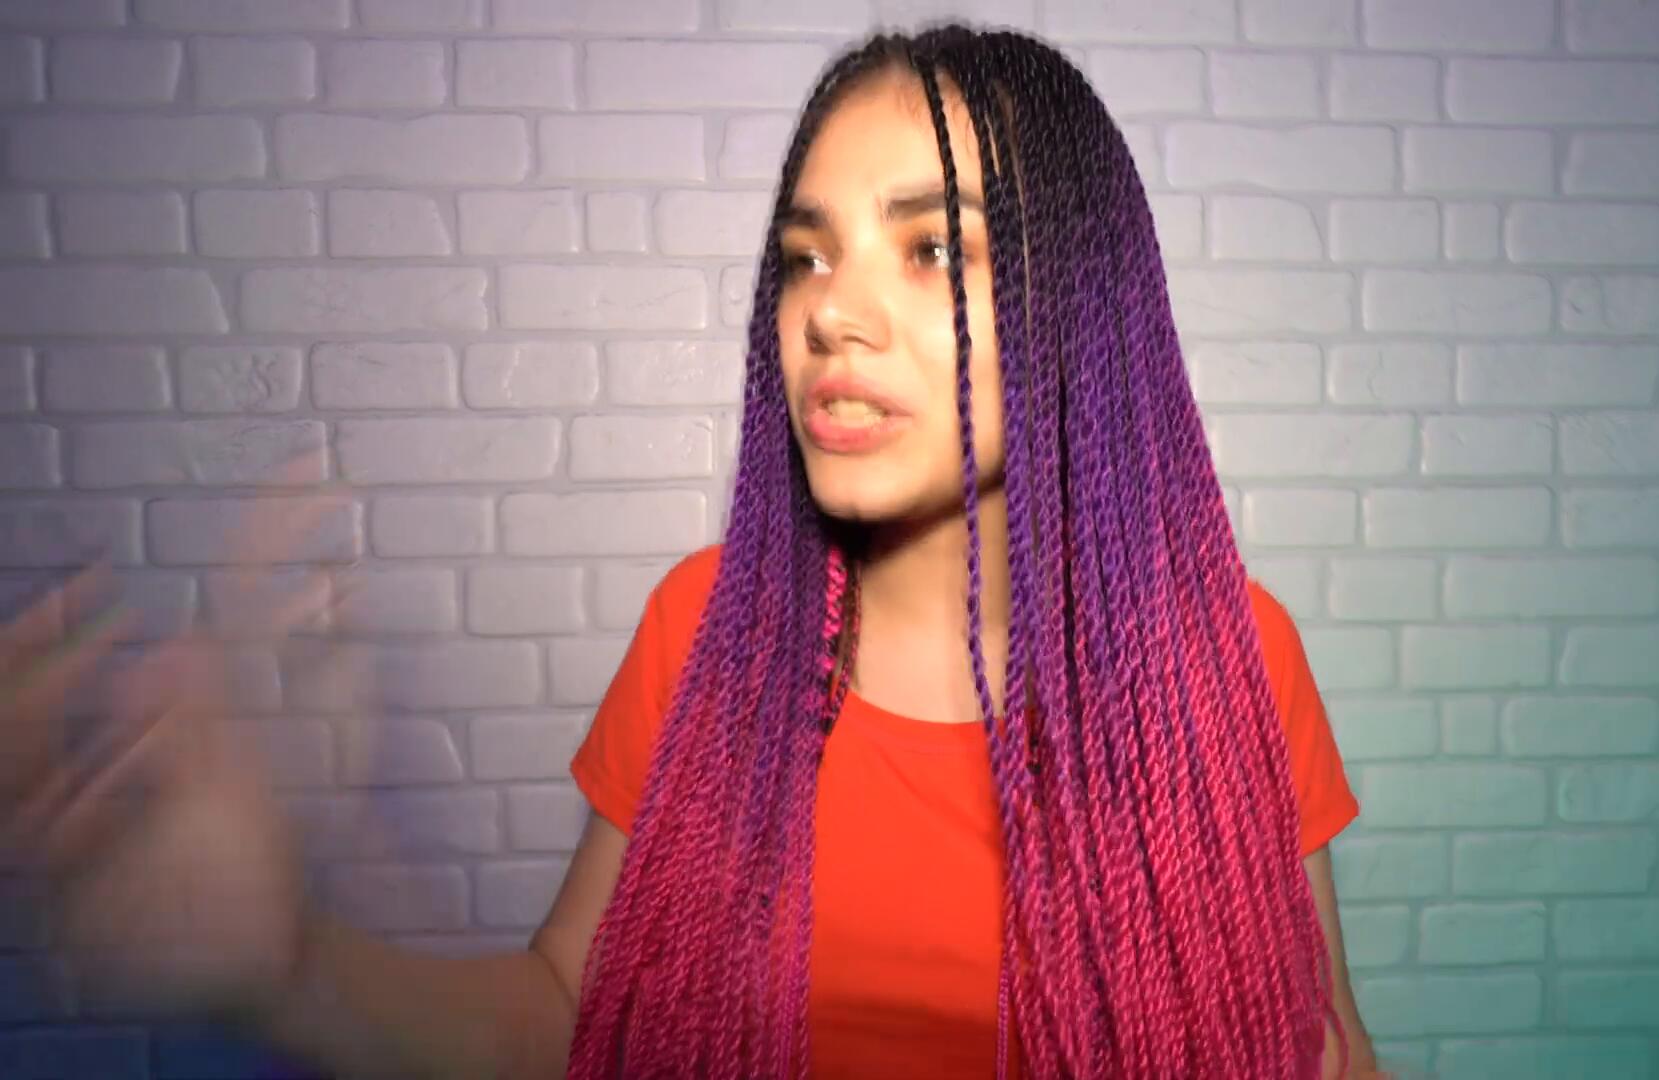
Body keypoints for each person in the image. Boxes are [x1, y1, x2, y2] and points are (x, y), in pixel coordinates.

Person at [0, 25, 1380, 1080]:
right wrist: (285, 960)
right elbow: (568, 1013)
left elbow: (1319, 1048)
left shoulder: (1234, 660)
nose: (831, 313)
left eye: (928, 251)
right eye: (805, 257)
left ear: (1074, 301)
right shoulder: (708, 630)